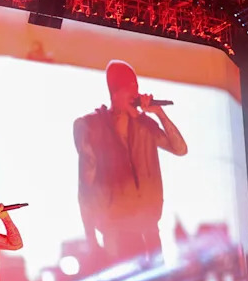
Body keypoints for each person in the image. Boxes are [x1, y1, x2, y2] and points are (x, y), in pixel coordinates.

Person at [73, 60, 188, 263]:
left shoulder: (145, 125)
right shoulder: (92, 126)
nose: (136, 94)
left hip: (149, 229)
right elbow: (86, 188)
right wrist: (91, 239)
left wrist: (159, 113)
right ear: (115, 93)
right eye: (130, 88)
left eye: (136, 87)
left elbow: (180, 149)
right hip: (116, 232)